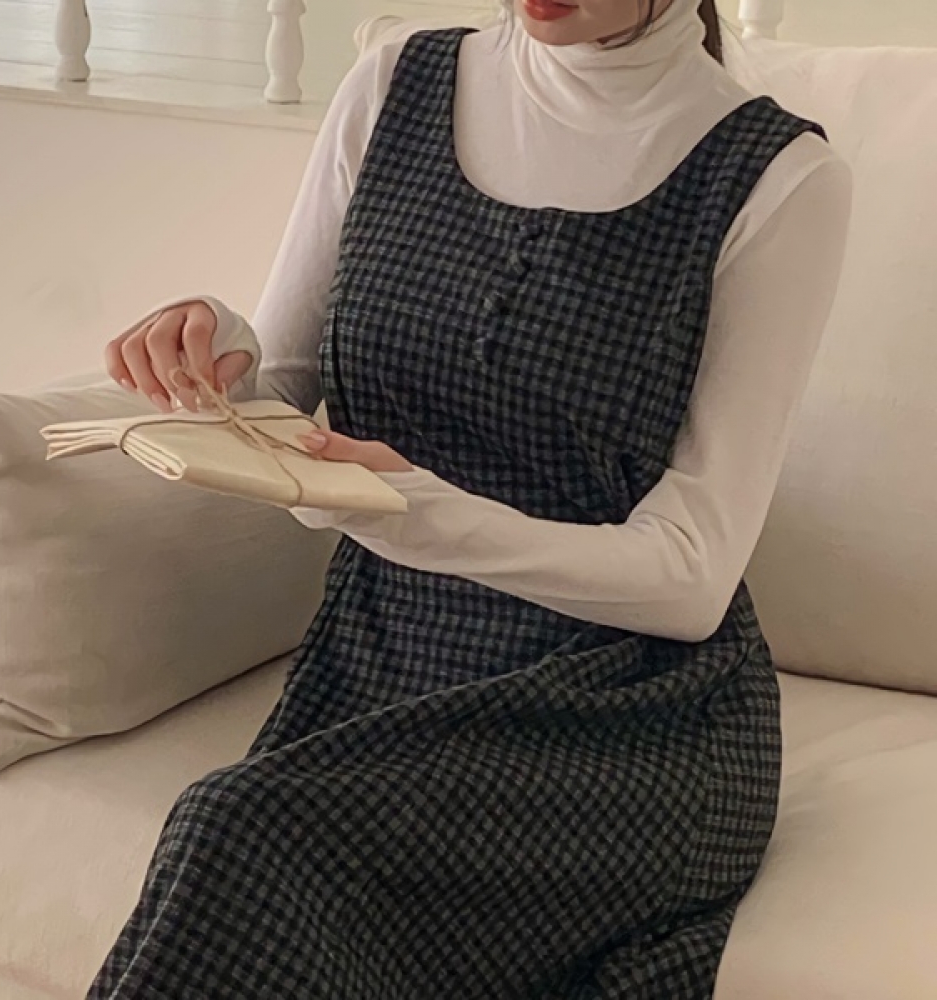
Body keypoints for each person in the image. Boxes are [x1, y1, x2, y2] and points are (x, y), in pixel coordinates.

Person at [93, 0, 851, 996]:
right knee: (241, 839)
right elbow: (286, 388)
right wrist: (213, 345)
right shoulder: (392, 85)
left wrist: (410, 510)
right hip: (387, 655)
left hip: (629, 714)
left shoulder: (778, 177)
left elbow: (691, 577)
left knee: (234, 827)